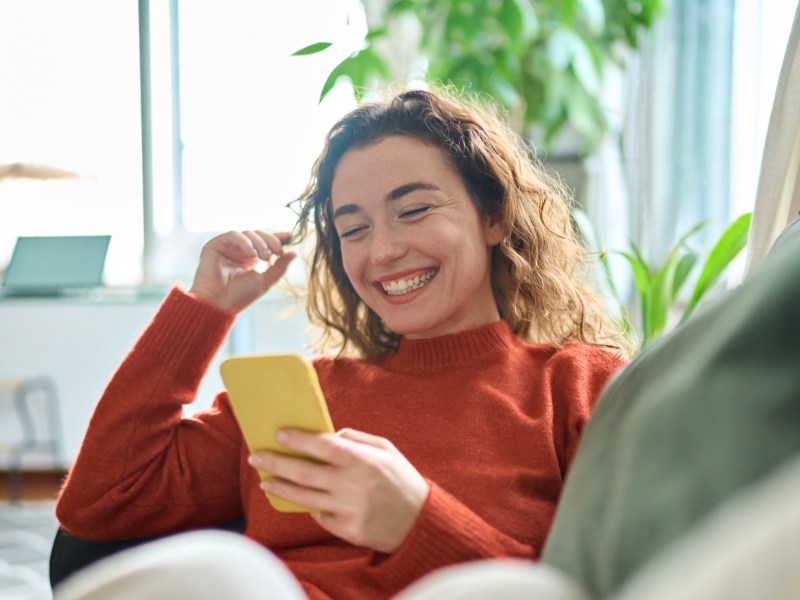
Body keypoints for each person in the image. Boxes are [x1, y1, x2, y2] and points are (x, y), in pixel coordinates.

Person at [54, 87, 629, 600]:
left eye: (414, 210)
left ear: (493, 217)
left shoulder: (581, 387)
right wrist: (203, 312)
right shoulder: (303, 400)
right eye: (353, 228)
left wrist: (419, 523)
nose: (382, 252)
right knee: (223, 572)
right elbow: (100, 502)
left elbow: (618, 582)